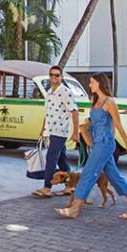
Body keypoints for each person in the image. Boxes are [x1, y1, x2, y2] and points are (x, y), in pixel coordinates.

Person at [56, 73, 127, 219]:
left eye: (92, 82)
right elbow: (94, 122)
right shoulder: (95, 102)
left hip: (105, 144)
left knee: (88, 173)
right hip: (98, 144)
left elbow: (118, 126)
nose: (89, 85)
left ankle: (75, 208)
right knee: (114, 176)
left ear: (100, 83)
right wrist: (86, 131)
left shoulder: (109, 102)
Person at [32, 65, 79, 198]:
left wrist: (76, 132)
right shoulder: (48, 93)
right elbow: (47, 113)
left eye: (57, 75)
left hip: (60, 131)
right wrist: (42, 130)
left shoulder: (65, 92)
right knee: (62, 159)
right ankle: (71, 186)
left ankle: (47, 187)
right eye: (51, 75)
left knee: (51, 158)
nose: (54, 77)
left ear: (61, 77)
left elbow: (74, 112)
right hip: (50, 130)